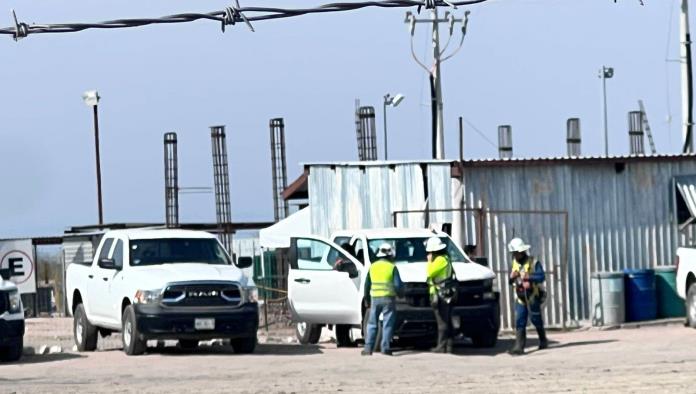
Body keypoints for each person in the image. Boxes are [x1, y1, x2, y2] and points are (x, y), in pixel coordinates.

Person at [507, 237, 548, 356]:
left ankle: (543, 340)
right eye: (513, 253)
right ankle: (519, 346)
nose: (514, 255)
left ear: (521, 251)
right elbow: (511, 282)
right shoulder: (514, 263)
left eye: (515, 253)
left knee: (536, 319)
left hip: (532, 296)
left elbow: (541, 277)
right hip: (520, 297)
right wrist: (512, 277)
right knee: (520, 320)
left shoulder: (534, 262)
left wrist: (529, 278)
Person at [362, 243, 403, 356]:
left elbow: (367, 285)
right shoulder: (392, 267)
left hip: (375, 298)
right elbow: (398, 285)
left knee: (372, 323)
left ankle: (368, 349)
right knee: (388, 323)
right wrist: (401, 295)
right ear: (390, 255)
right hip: (389, 299)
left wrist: (366, 299)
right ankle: (385, 348)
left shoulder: (373, 267)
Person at [426, 236, 457, 353]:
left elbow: (430, 272)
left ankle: (441, 346)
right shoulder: (445, 259)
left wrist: (429, 261)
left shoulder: (440, 260)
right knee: (446, 320)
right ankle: (448, 346)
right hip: (444, 294)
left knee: (442, 321)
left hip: (441, 295)